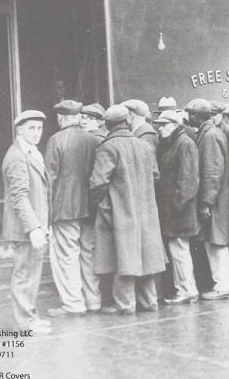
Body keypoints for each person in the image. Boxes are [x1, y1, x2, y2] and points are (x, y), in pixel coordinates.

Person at [90, 104, 166, 314]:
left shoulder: (108, 147)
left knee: (122, 256)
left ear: (107, 125)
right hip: (145, 211)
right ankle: (149, 302)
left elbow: (98, 183)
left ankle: (126, 304)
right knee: (145, 257)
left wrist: (100, 204)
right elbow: (155, 176)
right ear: (127, 121)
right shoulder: (144, 146)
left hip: (120, 211)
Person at [44, 100, 102, 317]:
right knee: (88, 254)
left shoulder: (56, 140)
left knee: (66, 256)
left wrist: (46, 213)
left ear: (61, 118)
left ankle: (73, 303)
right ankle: (93, 300)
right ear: (78, 117)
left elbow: (49, 179)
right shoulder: (94, 139)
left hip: (65, 208)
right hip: (90, 207)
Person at [2, 110, 52, 335]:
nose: (37, 132)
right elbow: (19, 196)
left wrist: (43, 224)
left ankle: (29, 318)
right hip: (26, 228)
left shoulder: (30, 152)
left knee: (30, 273)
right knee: (25, 274)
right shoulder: (17, 156)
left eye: (39, 128)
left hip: (34, 225)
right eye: (31, 128)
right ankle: (25, 322)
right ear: (19, 130)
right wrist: (33, 228)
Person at [186, 98, 229, 300]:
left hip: (215, 200)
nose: (188, 117)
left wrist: (206, 202)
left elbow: (212, 172)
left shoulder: (209, 136)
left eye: (190, 114)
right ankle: (222, 284)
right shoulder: (210, 133)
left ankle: (224, 286)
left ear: (197, 116)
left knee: (217, 242)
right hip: (216, 198)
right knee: (213, 241)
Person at [154, 110, 200, 304]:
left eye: (164, 125)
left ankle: (187, 290)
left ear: (175, 125)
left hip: (179, 210)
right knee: (178, 251)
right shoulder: (175, 143)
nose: (160, 128)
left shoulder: (184, 144)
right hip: (176, 209)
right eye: (159, 125)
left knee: (179, 251)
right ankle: (184, 289)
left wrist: (177, 205)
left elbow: (189, 180)